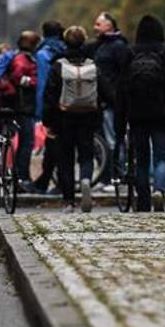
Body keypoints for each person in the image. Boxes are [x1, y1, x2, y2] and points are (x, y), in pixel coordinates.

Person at [118, 15, 165, 212]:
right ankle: (159, 190)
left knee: (141, 159)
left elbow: (121, 88)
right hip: (163, 113)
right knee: (161, 157)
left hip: (136, 114)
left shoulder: (129, 52)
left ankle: (143, 201)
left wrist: (121, 120)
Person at [43, 26, 111, 212]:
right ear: (84, 41)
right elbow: (106, 92)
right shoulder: (93, 64)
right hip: (89, 116)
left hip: (63, 118)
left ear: (65, 41)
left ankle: (69, 201)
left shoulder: (58, 65)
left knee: (65, 159)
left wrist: (48, 121)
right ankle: (86, 180)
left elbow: (49, 95)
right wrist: (103, 106)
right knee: (86, 154)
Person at [88, 12, 131, 183]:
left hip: (111, 102)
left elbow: (122, 73)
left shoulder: (116, 47)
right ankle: (112, 175)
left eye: (98, 24)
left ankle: (117, 176)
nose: (95, 27)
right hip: (105, 101)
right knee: (108, 140)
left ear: (109, 26)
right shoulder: (105, 45)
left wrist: (114, 97)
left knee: (112, 140)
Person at [30, 21, 67, 194]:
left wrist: (40, 111)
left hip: (53, 105)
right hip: (70, 103)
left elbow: (43, 84)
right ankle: (45, 181)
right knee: (57, 143)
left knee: (54, 143)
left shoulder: (44, 54)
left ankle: (53, 182)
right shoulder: (65, 49)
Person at [0, 30, 39, 189]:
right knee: (26, 142)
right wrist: (33, 81)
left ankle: (20, 176)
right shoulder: (23, 59)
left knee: (24, 142)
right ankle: (22, 177)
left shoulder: (18, 56)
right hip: (23, 107)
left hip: (20, 106)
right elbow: (17, 77)